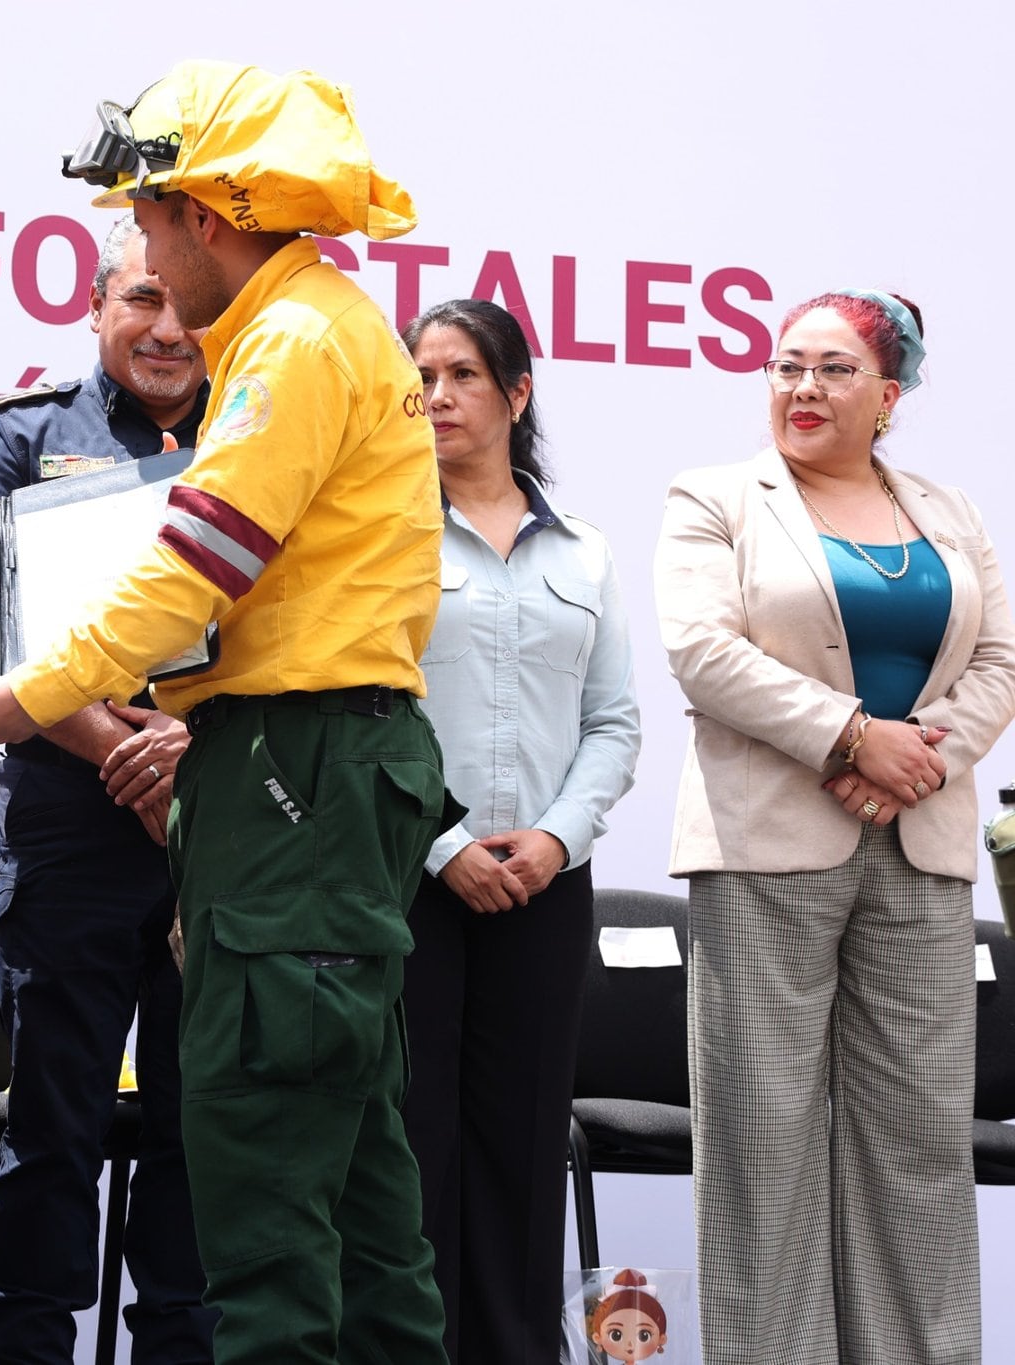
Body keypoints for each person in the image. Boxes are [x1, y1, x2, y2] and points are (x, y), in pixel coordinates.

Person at [0, 60, 455, 1365]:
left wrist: (35, 692)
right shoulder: (327, 326)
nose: (151, 257)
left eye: (154, 222)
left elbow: (198, 563)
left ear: (209, 218)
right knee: (358, 1182)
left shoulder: (289, 341)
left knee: (263, 1170)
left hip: (296, 772)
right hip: (326, 772)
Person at [656, 288, 1015, 1364]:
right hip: (765, 842)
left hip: (919, 847)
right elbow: (701, 653)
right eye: (783, 367)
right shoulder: (713, 496)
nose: (799, 390)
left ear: (886, 396)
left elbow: (997, 666)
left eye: (829, 371)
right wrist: (855, 739)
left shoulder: (947, 512)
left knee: (915, 1148)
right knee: (760, 1146)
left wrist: (920, 757)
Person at [0, 215, 215, 1364]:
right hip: (69, 826)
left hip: (224, 826)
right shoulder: (26, 436)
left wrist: (192, 757)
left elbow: (303, 628)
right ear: (95, 309)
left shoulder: (263, 434)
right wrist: (122, 748)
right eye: (138, 303)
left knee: (195, 1132)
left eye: (183, 306)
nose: (164, 331)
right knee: (51, 1128)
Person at [398, 299, 640, 1365]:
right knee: (409, 1148)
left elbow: (612, 722)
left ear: (515, 394)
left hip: (544, 886)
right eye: (422, 376)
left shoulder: (583, 552)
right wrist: (444, 845)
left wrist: (553, 839)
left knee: (522, 1148)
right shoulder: (380, 535)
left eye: (460, 374)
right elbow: (370, 715)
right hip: (409, 880)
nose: (437, 395)